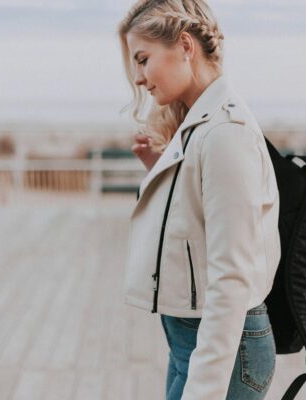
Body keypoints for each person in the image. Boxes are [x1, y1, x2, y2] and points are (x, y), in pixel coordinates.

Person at [118, 1, 281, 399]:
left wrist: (204, 389)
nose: (139, 78)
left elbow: (231, 276)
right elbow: (196, 216)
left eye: (143, 60)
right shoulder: (200, 122)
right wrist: (159, 166)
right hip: (193, 342)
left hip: (223, 350)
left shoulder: (225, 132)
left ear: (185, 46)